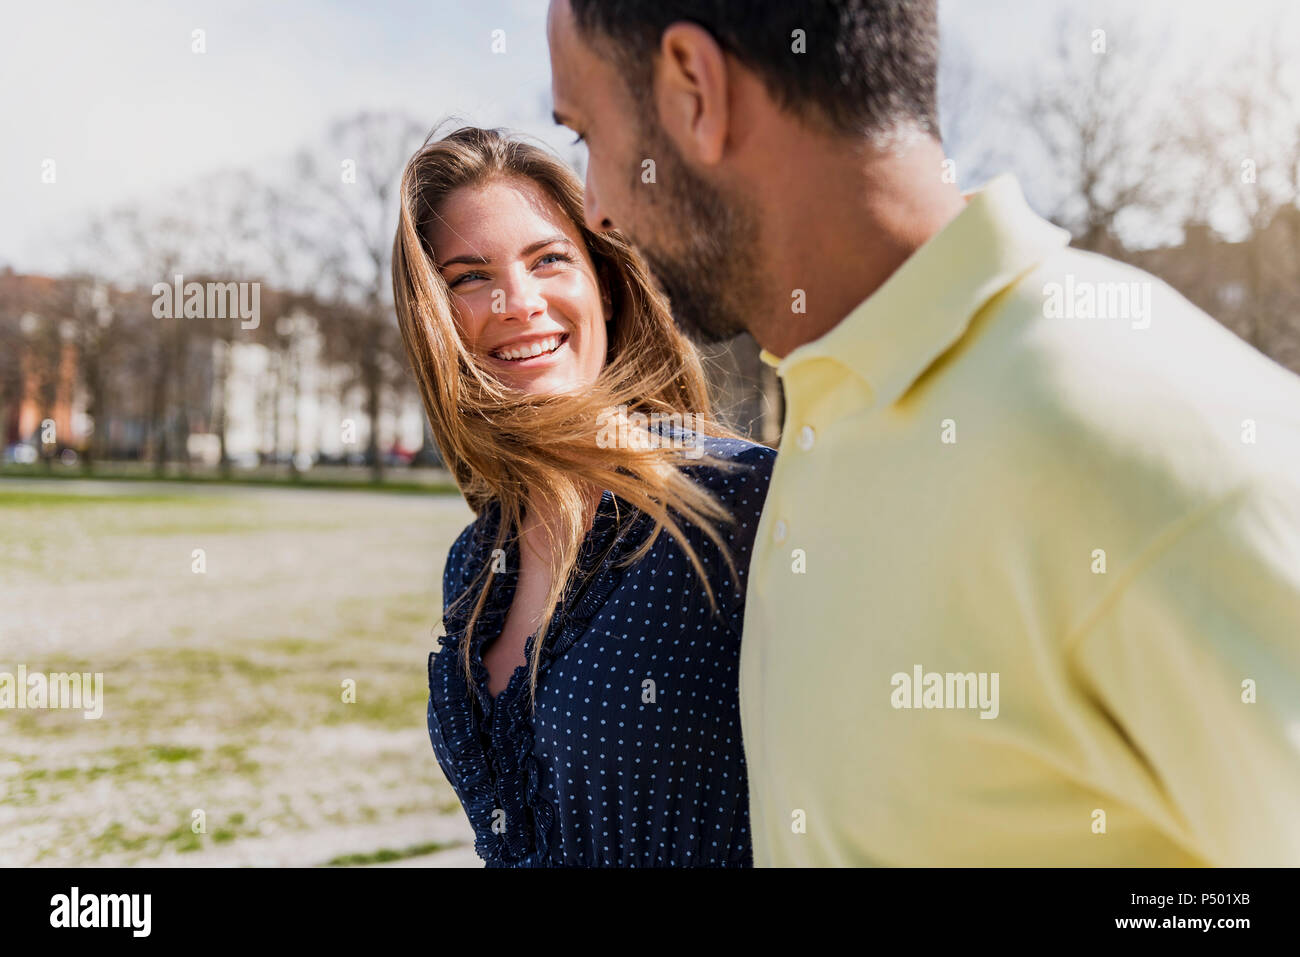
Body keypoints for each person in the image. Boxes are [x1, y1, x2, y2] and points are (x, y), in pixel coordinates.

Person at [547, 0, 1300, 865]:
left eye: (585, 135)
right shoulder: (830, 404)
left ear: (693, 91)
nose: (595, 209)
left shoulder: (1148, 433)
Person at [391, 125, 775, 866]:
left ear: (604, 279)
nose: (517, 301)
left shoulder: (739, 502)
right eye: (469, 277)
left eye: (549, 259)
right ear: (434, 320)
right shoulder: (474, 567)